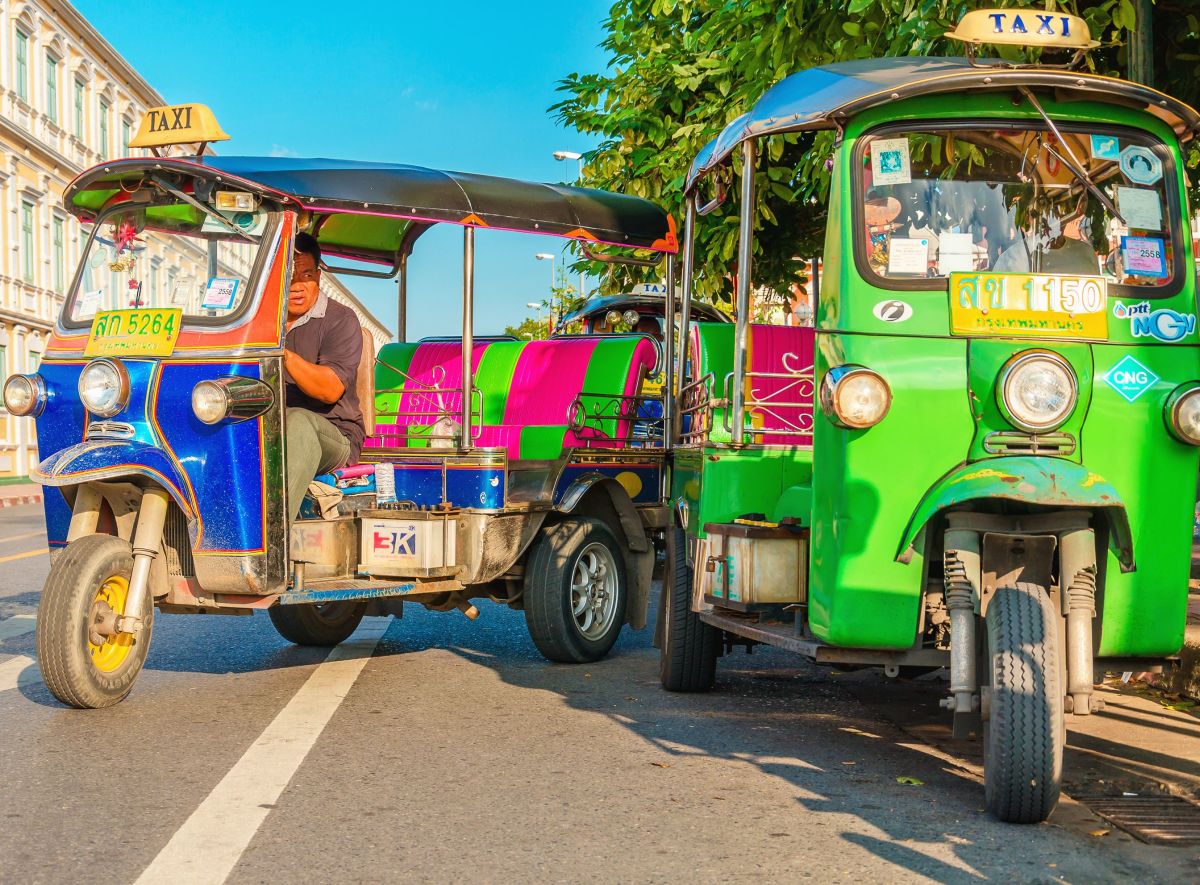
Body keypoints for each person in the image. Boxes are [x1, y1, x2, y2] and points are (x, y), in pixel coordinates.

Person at [283, 232, 365, 521]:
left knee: (296, 422)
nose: (296, 285)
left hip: (335, 435)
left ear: (318, 275)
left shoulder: (341, 320)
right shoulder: (259, 318)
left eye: (305, 274)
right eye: (287, 274)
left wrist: (283, 355)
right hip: (269, 429)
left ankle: (270, 543)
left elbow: (329, 389)